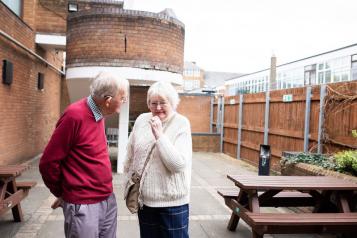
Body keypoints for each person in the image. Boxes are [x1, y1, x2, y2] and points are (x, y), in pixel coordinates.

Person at [39, 72, 129, 238]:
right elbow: (48, 163)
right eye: (122, 97)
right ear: (108, 100)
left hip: (107, 200)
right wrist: (62, 193)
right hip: (84, 205)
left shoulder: (100, 114)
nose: (124, 101)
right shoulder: (74, 116)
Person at [124, 81, 192, 238]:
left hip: (173, 204)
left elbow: (178, 165)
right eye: (153, 103)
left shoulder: (181, 123)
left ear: (172, 103)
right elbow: (130, 152)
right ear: (148, 103)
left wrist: (159, 135)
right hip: (145, 202)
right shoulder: (142, 120)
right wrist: (129, 181)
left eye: (163, 103)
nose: (158, 107)